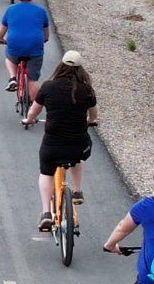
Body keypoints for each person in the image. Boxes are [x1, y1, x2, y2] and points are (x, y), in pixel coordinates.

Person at [22, 50, 97, 232]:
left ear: (61, 66)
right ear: (80, 69)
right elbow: (93, 115)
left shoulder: (48, 87)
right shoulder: (86, 89)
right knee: (77, 158)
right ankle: (77, 191)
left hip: (52, 146)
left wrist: (29, 119)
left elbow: (34, 111)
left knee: (46, 173)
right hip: (78, 144)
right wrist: (89, 121)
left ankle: (46, 213)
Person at [0, 0, 50, 99]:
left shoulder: (10, 10)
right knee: (32, 80)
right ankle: (32, 113)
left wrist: (1, 39)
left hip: (15, 45)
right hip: (35, 46)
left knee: (9, 58)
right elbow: (46, 34)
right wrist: (44, 40)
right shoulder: (41, 11)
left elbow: (1, 32)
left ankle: (12, 78)